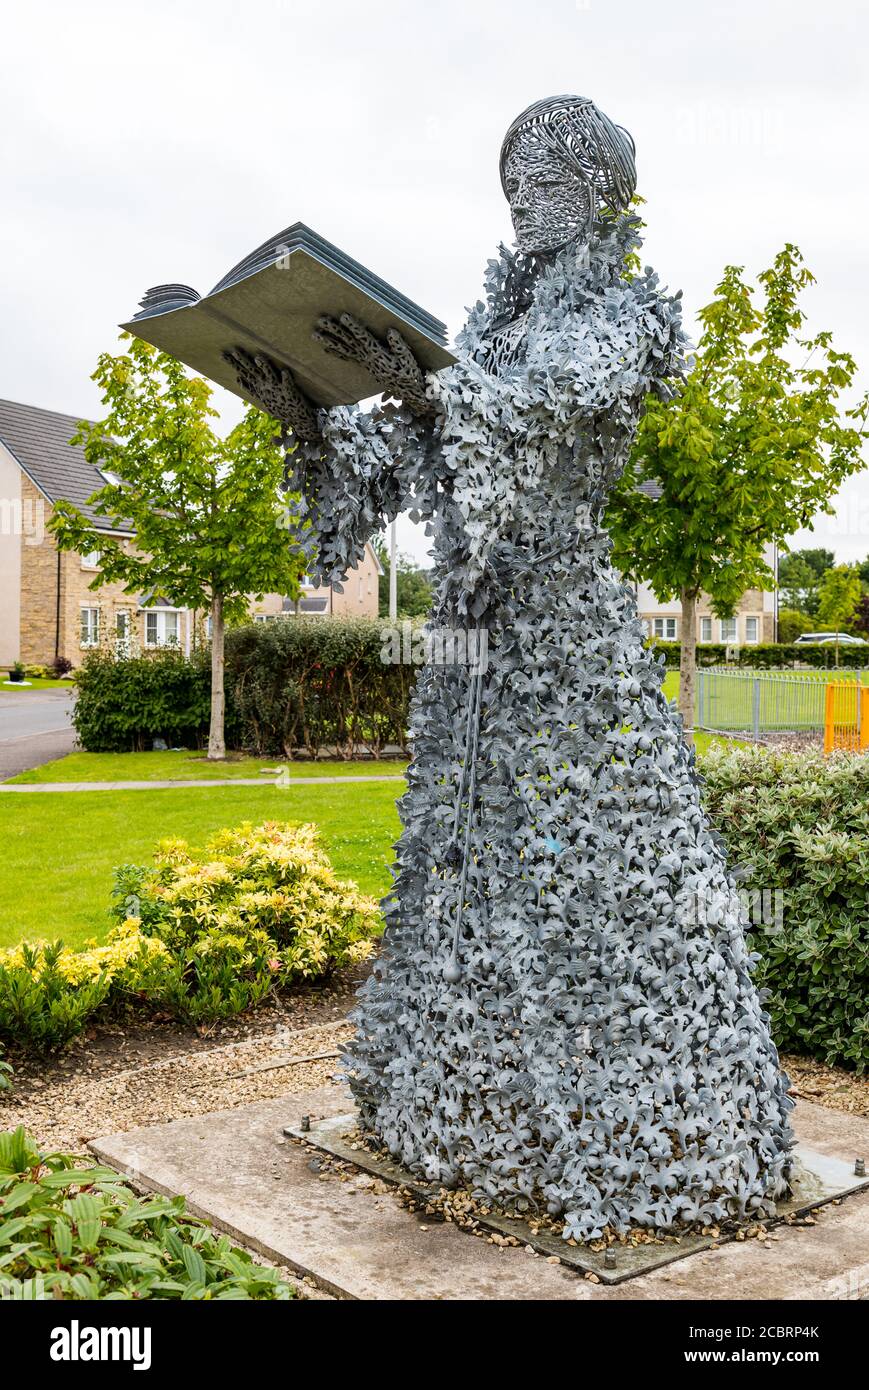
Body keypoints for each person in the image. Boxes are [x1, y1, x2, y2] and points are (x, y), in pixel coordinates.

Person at [226, 95, 794, 1242]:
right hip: (471, 654)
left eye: (546, 179)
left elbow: (540, 414)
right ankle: (460, 1105)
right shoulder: (487, 336)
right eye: (513, 181)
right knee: (462, 862)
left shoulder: (625, 320)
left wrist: (432, 388)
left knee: (595, 865)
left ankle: (629, 1122)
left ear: (596, 192)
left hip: (566, 646)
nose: (525, 200)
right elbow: (414, 465)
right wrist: (311, 415)